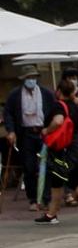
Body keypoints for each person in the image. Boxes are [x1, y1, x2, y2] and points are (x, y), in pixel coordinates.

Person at [33, 77, 78, 225]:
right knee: (57, 181)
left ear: (59, 91)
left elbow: (58, 121)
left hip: (65, 153)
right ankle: (51, 214)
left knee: (73, 182)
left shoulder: (58, 106)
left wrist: (46, 130)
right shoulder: (76, 107)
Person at [4, 66, 56, 211]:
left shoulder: (46, 93)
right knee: (29, 167)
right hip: (25, 134)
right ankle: (33, 199)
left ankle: (46, 198)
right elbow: (8, 113)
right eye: (28, 78)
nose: (31, 80)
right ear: (23, 80)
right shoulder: (15, 95)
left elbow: (54, 111)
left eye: (33, 77)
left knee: (48, 165)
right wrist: (11, 131)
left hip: (43, 132)